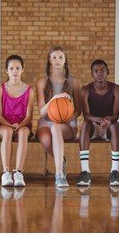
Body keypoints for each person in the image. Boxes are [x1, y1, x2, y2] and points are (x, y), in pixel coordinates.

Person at [35, 46, 81, 188]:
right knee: (46, 139)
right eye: (54, 57)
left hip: (66, 123)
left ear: (65, 60)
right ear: (49, 60)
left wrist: (65, 119)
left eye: (60, 57)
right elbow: (42, 111)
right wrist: (55, 97)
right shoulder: (42, 82)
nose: (57, 60)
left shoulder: (74, 82)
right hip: (46, 121)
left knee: (56, 128)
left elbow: (78, 110)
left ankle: (59, 174)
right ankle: (62, 160)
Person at [77, 59, 119, 187]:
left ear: (108, 72)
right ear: (91, 74)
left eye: (102, 70)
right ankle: (85, 171)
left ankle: (115, 171)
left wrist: (108, 120)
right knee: (85, 124)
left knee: (116, 125)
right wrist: (100, 120)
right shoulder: (85, 90)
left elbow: (116, 114)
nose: (99, 73)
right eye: (95, 71)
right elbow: (86, 114)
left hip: (109, 126)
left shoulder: (117, 89)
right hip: (93, 126)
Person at [0, 55, 35, 187]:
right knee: (7, 132)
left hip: (22, 124)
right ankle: (6, 173)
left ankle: (18, 172)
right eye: (11, 68)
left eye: (18, 68)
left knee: (23, 133)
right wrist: (10, 125)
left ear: (23, 69)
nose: (15, 71)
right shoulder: (0, 90)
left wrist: (20, 125)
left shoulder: (29, 91)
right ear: (7, 71)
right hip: (4, 124)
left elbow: (29, 116)